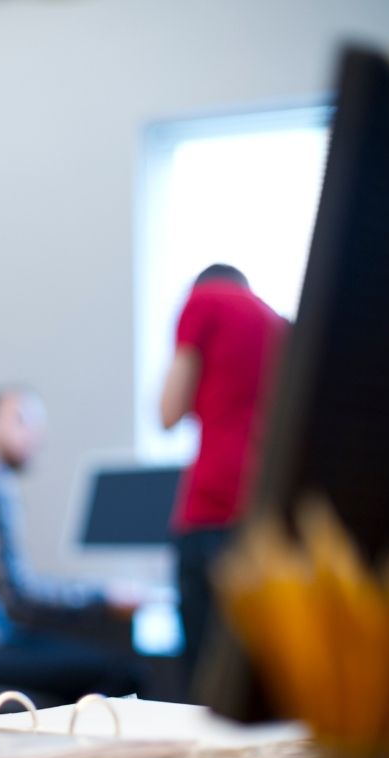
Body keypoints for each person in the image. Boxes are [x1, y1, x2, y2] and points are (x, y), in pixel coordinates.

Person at [0, 388, 140, 706]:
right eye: (22, 420)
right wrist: (103, 597)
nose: (34, 434)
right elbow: (19, 596)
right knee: (123, 671)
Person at [161, 263, 289, 688]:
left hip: (210, 506)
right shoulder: (277, 322)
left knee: (202, 674)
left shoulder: (205, 302)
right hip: (263, 505)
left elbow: (168, 412)